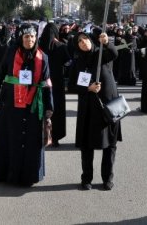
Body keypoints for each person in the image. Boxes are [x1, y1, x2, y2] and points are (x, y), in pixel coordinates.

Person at [0, 23, 53, 186]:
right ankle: (6, 173)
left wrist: (49, 108)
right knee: (10, 137)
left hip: (34, 104)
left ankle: (28, 175)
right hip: (10, 103)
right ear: (21, 38)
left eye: (32, 36)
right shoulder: (11, 53)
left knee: (31, 140)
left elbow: (47, 84)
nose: (30, 40)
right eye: (26, 36)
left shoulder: (43, 57)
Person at [70, 31, 120, 191]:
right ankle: (86, 178)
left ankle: (107, 178)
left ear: (91, 40)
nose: (83, 42)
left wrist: (106, 42)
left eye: (85, 39)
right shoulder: (77, 62)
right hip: (88, 107)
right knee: (87, 145)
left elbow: (114, 53)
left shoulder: (101, 54)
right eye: (79, 41)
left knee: (110, 145)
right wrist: (88, 88)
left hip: (108, 105)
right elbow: (71, 86)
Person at [38, 22, 70, 146]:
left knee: (43, 108)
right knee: (57, 109)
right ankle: (55, 137)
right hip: (57, 83)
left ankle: (43, 135)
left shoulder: (39, 46)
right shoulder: (61, 46)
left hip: (42, 82)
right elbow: (68, 62)